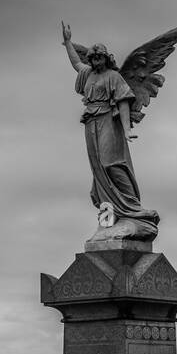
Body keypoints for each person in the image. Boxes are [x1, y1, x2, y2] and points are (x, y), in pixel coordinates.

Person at [61, 22, 159, 236]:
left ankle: (133, 208)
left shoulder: (114, 77)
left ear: (106, 58)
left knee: (110, 163)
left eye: (99, 57)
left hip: (108, 121)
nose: (96, 60)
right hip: (91, 123)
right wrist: (68, 42)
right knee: (98, 168)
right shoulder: (87, 74)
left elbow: (123, 102)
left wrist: (126, 129)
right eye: (93, 57)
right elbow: (76, 63)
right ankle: (112, 215)